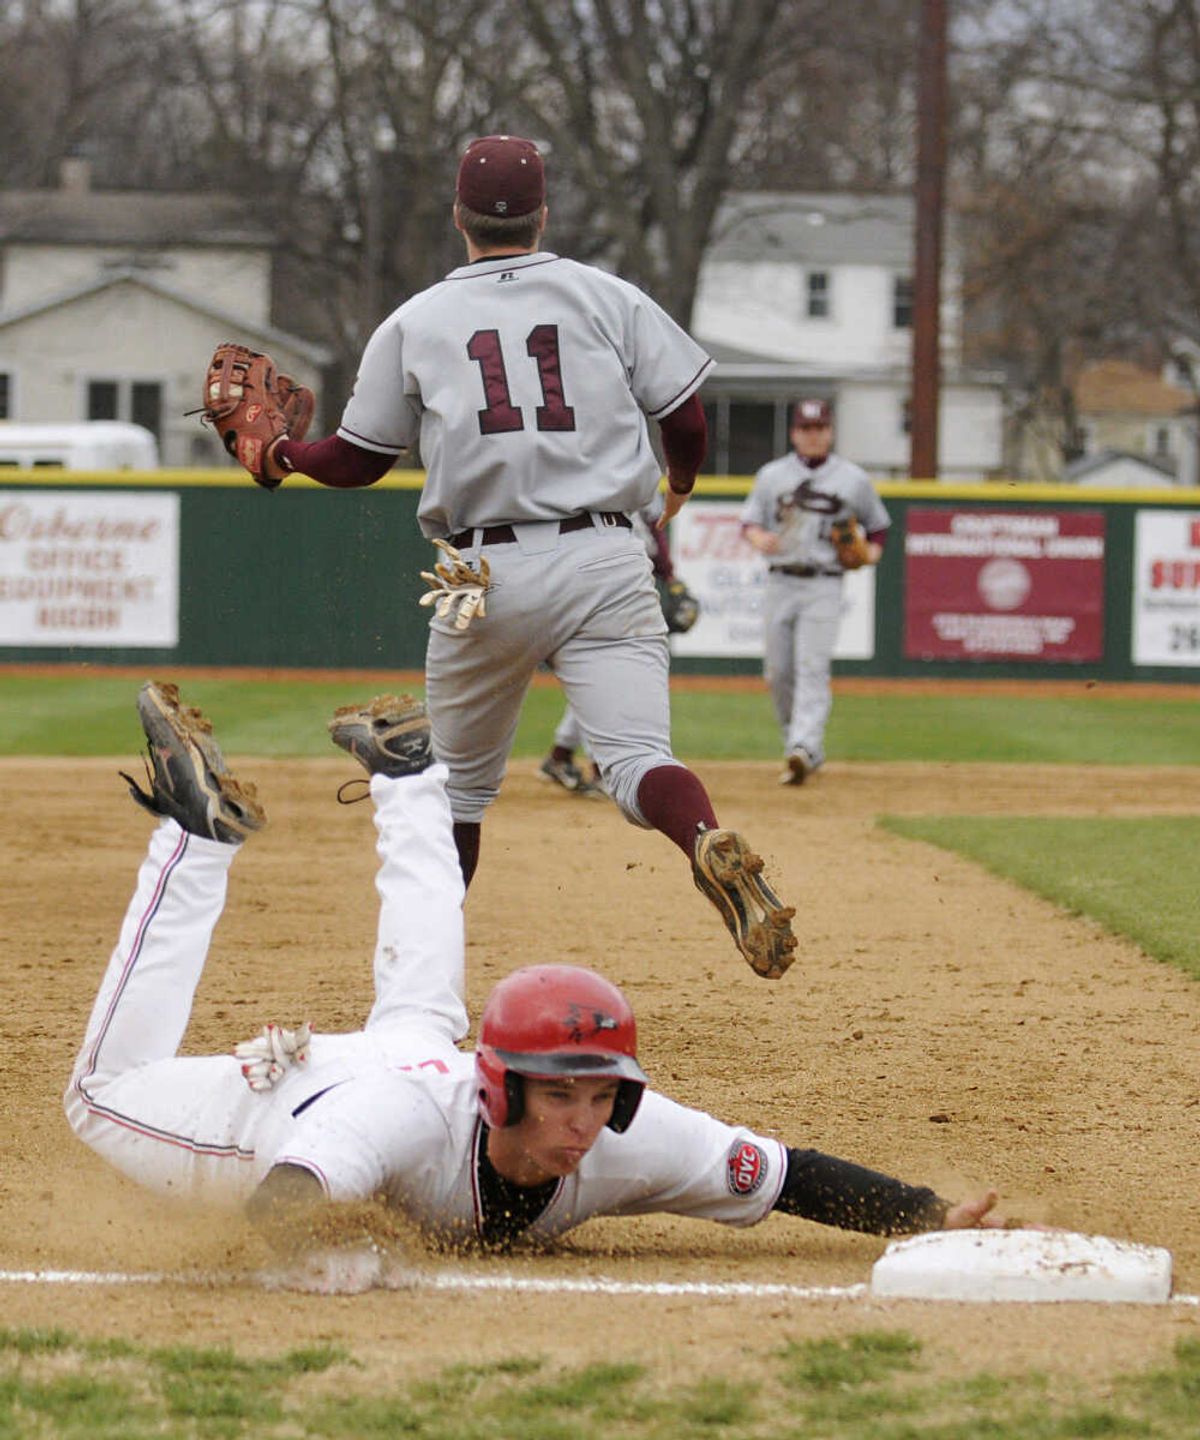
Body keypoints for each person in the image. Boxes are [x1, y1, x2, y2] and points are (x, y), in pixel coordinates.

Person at [66, 684, 1004, 1293]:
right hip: (291, 1107)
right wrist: (330, 1260)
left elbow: (787, 1174)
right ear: (501, 1085)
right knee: (97, 1099)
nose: (582, 1122)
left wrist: (927, 1215)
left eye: (600, 1095)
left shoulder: (624, 1142)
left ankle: (412, 777)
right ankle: (193, 838)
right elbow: (281, 1204)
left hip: (417, 1053)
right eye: (559, 1093)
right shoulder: (399, 1123)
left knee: (419, 1005)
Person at [249, 133, 795, 981]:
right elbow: (687, 419)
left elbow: (358, 461)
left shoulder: (415, 319)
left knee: (456, 796)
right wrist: (677, 488)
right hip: (609, 557)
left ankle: (423, 985)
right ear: (544, 214)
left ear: (457, 217)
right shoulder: (606, 296)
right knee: (638, 761)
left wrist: (284, 454)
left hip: (484, 574)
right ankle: (701, 837)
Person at [740, 398, 891, 786]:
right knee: (778, 673)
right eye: (805, 429)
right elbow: (750, 522)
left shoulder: (852, 479)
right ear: (794, 433)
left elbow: (878, 527)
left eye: (819, 428)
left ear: (830, 432)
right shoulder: (772, 475)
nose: (813, 435)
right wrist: (760, 538)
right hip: (780, 580)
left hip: (824, 582)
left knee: (812, 667)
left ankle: (803, 746)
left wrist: (869, 555)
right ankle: (802, 745)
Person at [538, 494, 694, 799]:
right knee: (609, 675)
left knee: (604, 676)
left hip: (632, 574)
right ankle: (600, 770)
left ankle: (561, 756)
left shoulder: (637, 476)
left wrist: (670, 575)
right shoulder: (585, 476)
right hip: (596, 575)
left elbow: (654, 528)